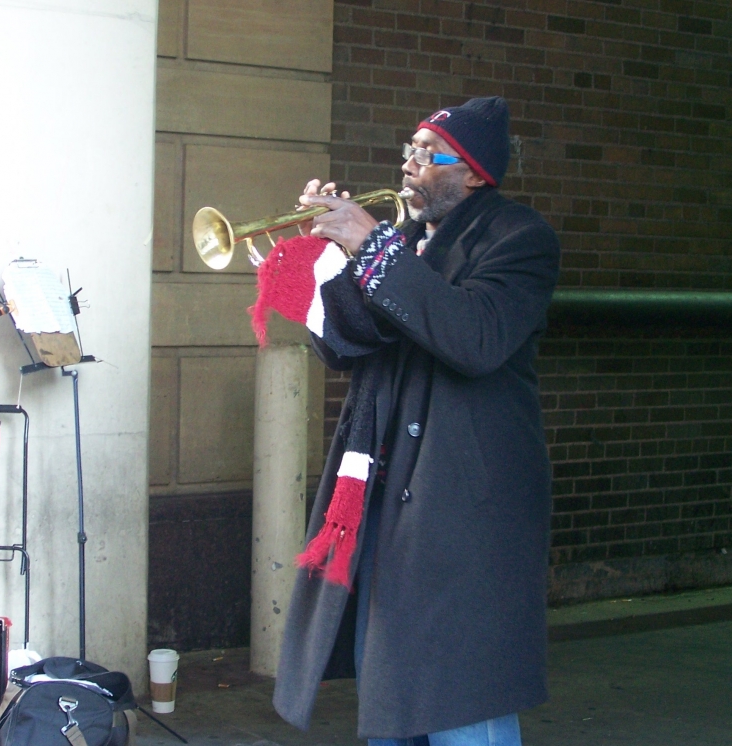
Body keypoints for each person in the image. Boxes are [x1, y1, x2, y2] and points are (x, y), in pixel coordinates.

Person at [271, 97, 561, 746]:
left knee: (463, 700)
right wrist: (324, 261)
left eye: (429, 154)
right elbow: (348, 345)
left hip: (465, 512)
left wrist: (369, 245)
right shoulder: (403, 243)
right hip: (391, 505)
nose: (410, 164)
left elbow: (474, 338)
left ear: (476, 173)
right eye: (409, 150)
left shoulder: (518, 238)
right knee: (394, 701)